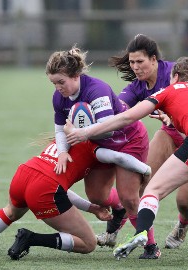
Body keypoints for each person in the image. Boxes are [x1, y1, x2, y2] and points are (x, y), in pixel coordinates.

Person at [66, 57, 188, 262]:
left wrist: (85, 133)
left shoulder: (168, 90)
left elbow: (127, 117)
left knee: (153, 190)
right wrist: (171, 120)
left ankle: (140, 233)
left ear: (174, 77)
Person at [47, 45, 159, 259]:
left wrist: (81, 133)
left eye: (61, 82)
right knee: (97, 196)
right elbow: (60, 128)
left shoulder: (96, 90)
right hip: (99, 143)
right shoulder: (58, 97)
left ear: (76, 75)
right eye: (53, 83)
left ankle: (150, 246)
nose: (58, 88)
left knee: (129, 197)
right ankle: (119, 211)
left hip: (128, 140)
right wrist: (62, 152)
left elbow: (108, 129)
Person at [0, 139, 152, 259]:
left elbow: (59, 188)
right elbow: (120, 159)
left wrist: (91, 208)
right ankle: (31, 238)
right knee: (89, 243)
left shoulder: (66, 136)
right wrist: (146, 170)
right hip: (44, 187)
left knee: (11, 211)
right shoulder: (94, 145)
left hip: (24, 173)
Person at [97, 34, 188, 252]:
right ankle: (118, 228)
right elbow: (119, 110)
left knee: (185, 202)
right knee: (141, 183)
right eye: (132, 62)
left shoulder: (175, 73)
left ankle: (183, 224)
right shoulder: (137, 87)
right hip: (170, 136)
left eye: (140, 62)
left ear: (154, 60)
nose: (135, 67)